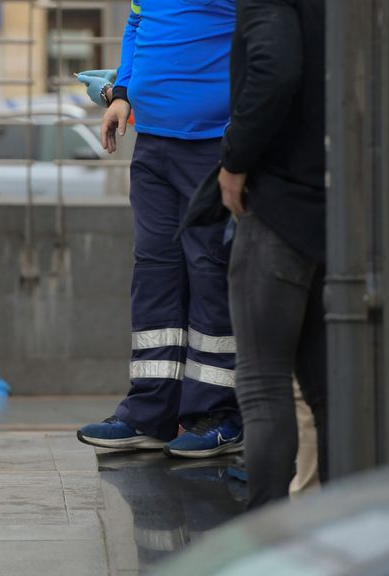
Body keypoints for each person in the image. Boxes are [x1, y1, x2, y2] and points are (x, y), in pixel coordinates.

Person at [76, 0, 244, 459]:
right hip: (152, 144)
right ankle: (150, 412)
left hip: (213, 145)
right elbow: (136, 24)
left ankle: (218, 415)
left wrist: (243, 140)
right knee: (154, 274)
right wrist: (123, 93)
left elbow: (264, 42)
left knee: (209, 273)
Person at [219, 0, 327, 509]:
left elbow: (275, 69)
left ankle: (264, 543)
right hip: (338, 212)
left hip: (280, 206)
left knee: (264, 387)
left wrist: (235, 160)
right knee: (330, 394)